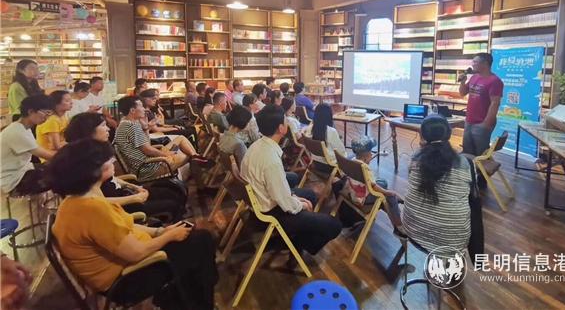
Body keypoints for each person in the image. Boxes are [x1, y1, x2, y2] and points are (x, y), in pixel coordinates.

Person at [47, 139, 218, 309]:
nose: (112, 161)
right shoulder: (92, 209)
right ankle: (198, 303)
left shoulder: (75, 201)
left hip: (129, 266)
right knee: (202, 241)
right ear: (91, 171)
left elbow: (126, 226)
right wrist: (169, 236)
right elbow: (136, 253)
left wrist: (160, 231)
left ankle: (181, 299)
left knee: (194, 241)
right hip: (127, 280)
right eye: (107, 160)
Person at [241, 105, 341, 255]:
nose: (287, 122)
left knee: (310, 195)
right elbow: (284, 201)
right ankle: (295, 243)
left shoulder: (256, 146)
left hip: (262, 201)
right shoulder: (271, 160)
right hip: (272, 212)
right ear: (281, 128)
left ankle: (298, 235)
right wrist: (300, 204)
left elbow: (279, 191)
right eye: (285, 120)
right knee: (334, 225)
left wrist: (295, 197)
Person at [65, 112, 186, 222]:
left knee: (172, 189)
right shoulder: (83, 162)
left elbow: (112, 179)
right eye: (103, 126)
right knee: (173, 201)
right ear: (89, 130)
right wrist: (135, 198)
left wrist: (134, 187)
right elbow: (96, 202)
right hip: (118, 207)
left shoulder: (97, 151)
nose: (108, 128)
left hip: (124, 193)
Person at [402, 115, 472, 255]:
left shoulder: (416, 158)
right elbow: (468, 192)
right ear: (448, 134)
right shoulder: (464, 163)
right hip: (453, 239)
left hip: (413, 229)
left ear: (422, 135)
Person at [114, 96, 203, 180]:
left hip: (148, 162)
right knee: (188, 156)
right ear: (132, 110)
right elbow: (147, 150)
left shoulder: (126, 123)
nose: (144, 109)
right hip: (148, 168)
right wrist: (166, 155)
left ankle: (196, 157)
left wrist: (147, 128)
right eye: (141, 106)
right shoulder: (131, 126)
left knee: (181, 139)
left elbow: (147, 145)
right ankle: (200, 183)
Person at [0, 95, 56, 195]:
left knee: (57, 167)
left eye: (49, 114)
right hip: (14, 179)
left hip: (24, 169)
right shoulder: (17, 132)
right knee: (62, 174)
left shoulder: (23, 127)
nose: (46, 118)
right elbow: (46, 155)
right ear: (31, 111)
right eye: (46, 113)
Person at [459, 53, 504, 157]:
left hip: (482, 123)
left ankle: (479, 169)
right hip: (469, 120)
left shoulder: (495, 81)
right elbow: (462, 93)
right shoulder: (474, 77)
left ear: (485, 64)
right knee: (467, 152)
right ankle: (469, 167)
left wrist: (486, 123)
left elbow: (495, 103)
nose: (472, 64)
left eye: (475, 62)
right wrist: (462, 82)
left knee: (480, 154)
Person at [305, 104, 346, 169]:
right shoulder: (331, 131)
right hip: (330, 165)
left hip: (315, 163)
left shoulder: (310, 128)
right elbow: (341, 152)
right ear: (329, 115)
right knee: (352, 156)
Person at [36, 90, 73, 157]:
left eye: (71, 100)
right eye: (67, 101)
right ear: (56, 104)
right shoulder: (52, 120)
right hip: (51, 157)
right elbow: (56, 146)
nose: (71, 102)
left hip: (61, 153)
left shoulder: (63, 116)